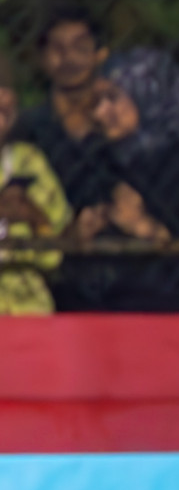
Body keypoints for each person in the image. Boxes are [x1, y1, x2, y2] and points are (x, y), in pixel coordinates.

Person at [54, 48, 179, 312]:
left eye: (112, 98)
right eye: (96, 101)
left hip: (171, 316)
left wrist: (146, 230)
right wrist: (76, 238)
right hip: (97, 315)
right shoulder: (95, 162)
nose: (100, 113)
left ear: (147, 95)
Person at [0, 50, 72, 313]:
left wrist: (34, 217)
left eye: (6, 88)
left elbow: (54, 256)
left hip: (29, 312)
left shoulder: (28, 161)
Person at [16, 7, 109, 204]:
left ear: (101, 54)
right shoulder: (26, 128)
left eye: (80, 47)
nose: (69, 58)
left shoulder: (126, 118)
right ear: (41, 59)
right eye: (57, 49)